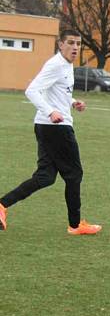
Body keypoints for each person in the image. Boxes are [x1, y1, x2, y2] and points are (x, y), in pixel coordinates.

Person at [0, 29, 102, 235]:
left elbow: (58, 91)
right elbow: (32, 90)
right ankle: (75, 225)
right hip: (56, 128)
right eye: (71, 43)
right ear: (60, 44)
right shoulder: (56, 64)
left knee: (45, 177)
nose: (75, 47)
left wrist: (72, 102)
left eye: (78, 44)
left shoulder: (66, 65)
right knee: (74, 174)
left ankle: (2, 205)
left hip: (47, 126)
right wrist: (51, 111)